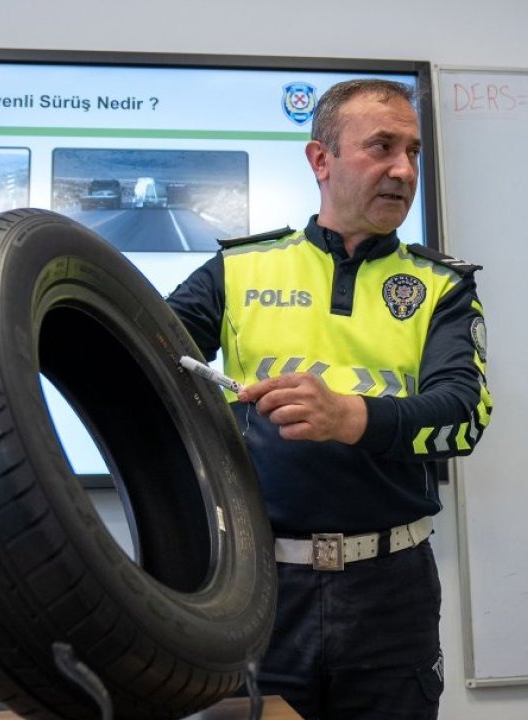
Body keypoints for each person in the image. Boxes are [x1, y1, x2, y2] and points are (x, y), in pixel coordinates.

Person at [166, 78, 492, 720]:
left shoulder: (440, 286)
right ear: (322, 160)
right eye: (381, 147)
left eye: (413, 151)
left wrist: (349, 416)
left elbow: (464, 418)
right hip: (257, 587)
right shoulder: (239, 270)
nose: (403, 169)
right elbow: (142, 357)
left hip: (391, 592)